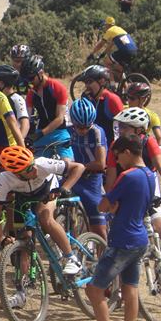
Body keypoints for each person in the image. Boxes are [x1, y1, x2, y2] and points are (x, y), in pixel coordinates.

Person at [83, 134, 154, 321]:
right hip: (139, 238)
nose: (117, 161)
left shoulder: (128, 176)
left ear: (127, 152)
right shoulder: (149, 175)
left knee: (94, 290)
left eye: (118, 156)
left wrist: (110, 205)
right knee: (130, 289)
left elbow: (103, 205)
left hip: (123, 240)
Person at [0, 145, 86, 306]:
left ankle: (72, 258)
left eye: (32, 164)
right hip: (22, 198)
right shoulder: (5, 179)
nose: (34, 169)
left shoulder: (41, 163)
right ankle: (21, 293)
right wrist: (1, 238)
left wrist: (64, 188)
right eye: (28, 169)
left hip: (47, 190)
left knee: (44, 218)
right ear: (16, 173)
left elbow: (79, 167)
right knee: (24, 242)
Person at [106, 107, 161, 269]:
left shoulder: (148, 141)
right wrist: (109, 199)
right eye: (119, 126)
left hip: (148, 188)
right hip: (126, 189)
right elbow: (111, 175)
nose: (120, 130)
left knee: (160, 226)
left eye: (125, 127)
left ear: (139, 130)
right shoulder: (115, 146)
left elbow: (160, 165)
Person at [68, 98, 109, 239]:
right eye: (79, 127)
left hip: (92, 179)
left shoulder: (97, 132)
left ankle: (103, 249)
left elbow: (100, 163)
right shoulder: (68, 130)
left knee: (98, 228)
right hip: (73, 176)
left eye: (87, 127)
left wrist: (79, 167)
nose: (84, 130)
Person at [22, 54, 73, 159]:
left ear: (41, 73)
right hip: (41, 134)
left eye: (31, 78)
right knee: (36, 166)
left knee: (68, 164)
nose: (30, 82)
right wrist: (23, 136)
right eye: (27, 79)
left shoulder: (57, 87)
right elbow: (27, 117)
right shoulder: (31, 93)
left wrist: (41, 133)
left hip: (59, 132)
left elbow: (59, 119)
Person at [78, 64, 124, 147]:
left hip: (110, 147)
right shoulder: (88, 99)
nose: (87, 86)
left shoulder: (112, 99)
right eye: (85, 83)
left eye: (90, 82)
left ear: (102, 81)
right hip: (92, 145)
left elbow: (124, 126)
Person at [0, 64, 30, 139]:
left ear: (1, 84)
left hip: (11, 142)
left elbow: (25, 123)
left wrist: (19, 143)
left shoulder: (17, 99)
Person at [125, 81, 161, 149]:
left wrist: (160, 148)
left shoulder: (152, 116)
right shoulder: (121, 109)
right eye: (127, 97)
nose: (129, 100)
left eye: (132, 98)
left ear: (143, 99)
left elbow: (159, 138)